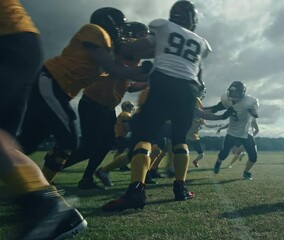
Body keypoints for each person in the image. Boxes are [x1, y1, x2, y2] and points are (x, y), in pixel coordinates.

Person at [102, 1, 228, 211]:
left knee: (143, 136)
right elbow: (199, 72)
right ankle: (180, 188)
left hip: (164, 81)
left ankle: (135, 191)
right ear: (193, 20)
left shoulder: (164, 26)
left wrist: (117, 45)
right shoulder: (202, 42)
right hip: (189, 88)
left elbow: (139, 47)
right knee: (179, 138)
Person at [17, 7, 150, 184]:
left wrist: (153, 74)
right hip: (51, 81)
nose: (121, 31)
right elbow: (115, 69)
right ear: (110, 23)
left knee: (28, 142)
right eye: (119, 27)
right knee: (69, 139)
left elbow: (126, 75)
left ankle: (43, 183)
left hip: (63, 91)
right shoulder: (95, 31)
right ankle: (41, 186)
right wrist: (147, 69)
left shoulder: (110, 47)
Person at [0, 1, 87, 238]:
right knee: (6, 143)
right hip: (20, 43)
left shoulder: (97, 36)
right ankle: (61, 214)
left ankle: (44, 207)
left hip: (9, 43)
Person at [62, 22, 150, 190]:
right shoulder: (121, 48)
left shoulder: (133, 56)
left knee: (105, 144)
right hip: (93, 101)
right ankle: (50, 170)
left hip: (107, 105)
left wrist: (149, 82)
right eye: (142, 36)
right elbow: (117, 70)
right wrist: (144, 73)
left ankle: (87, 178)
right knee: (89, 146)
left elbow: (129, 85)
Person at [206, 81, 260, 180]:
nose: (233, 95)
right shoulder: (226, 99)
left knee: (253, 157)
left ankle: (246, 172)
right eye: (232, 92)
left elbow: (254, 112)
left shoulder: (249, 102)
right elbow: (214, 109)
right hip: (232, 131)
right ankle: (218, 162)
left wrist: (253, 112)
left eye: (236, 92)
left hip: (246, 132)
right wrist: (199, 109)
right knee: (224, 153)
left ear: (242, 93)